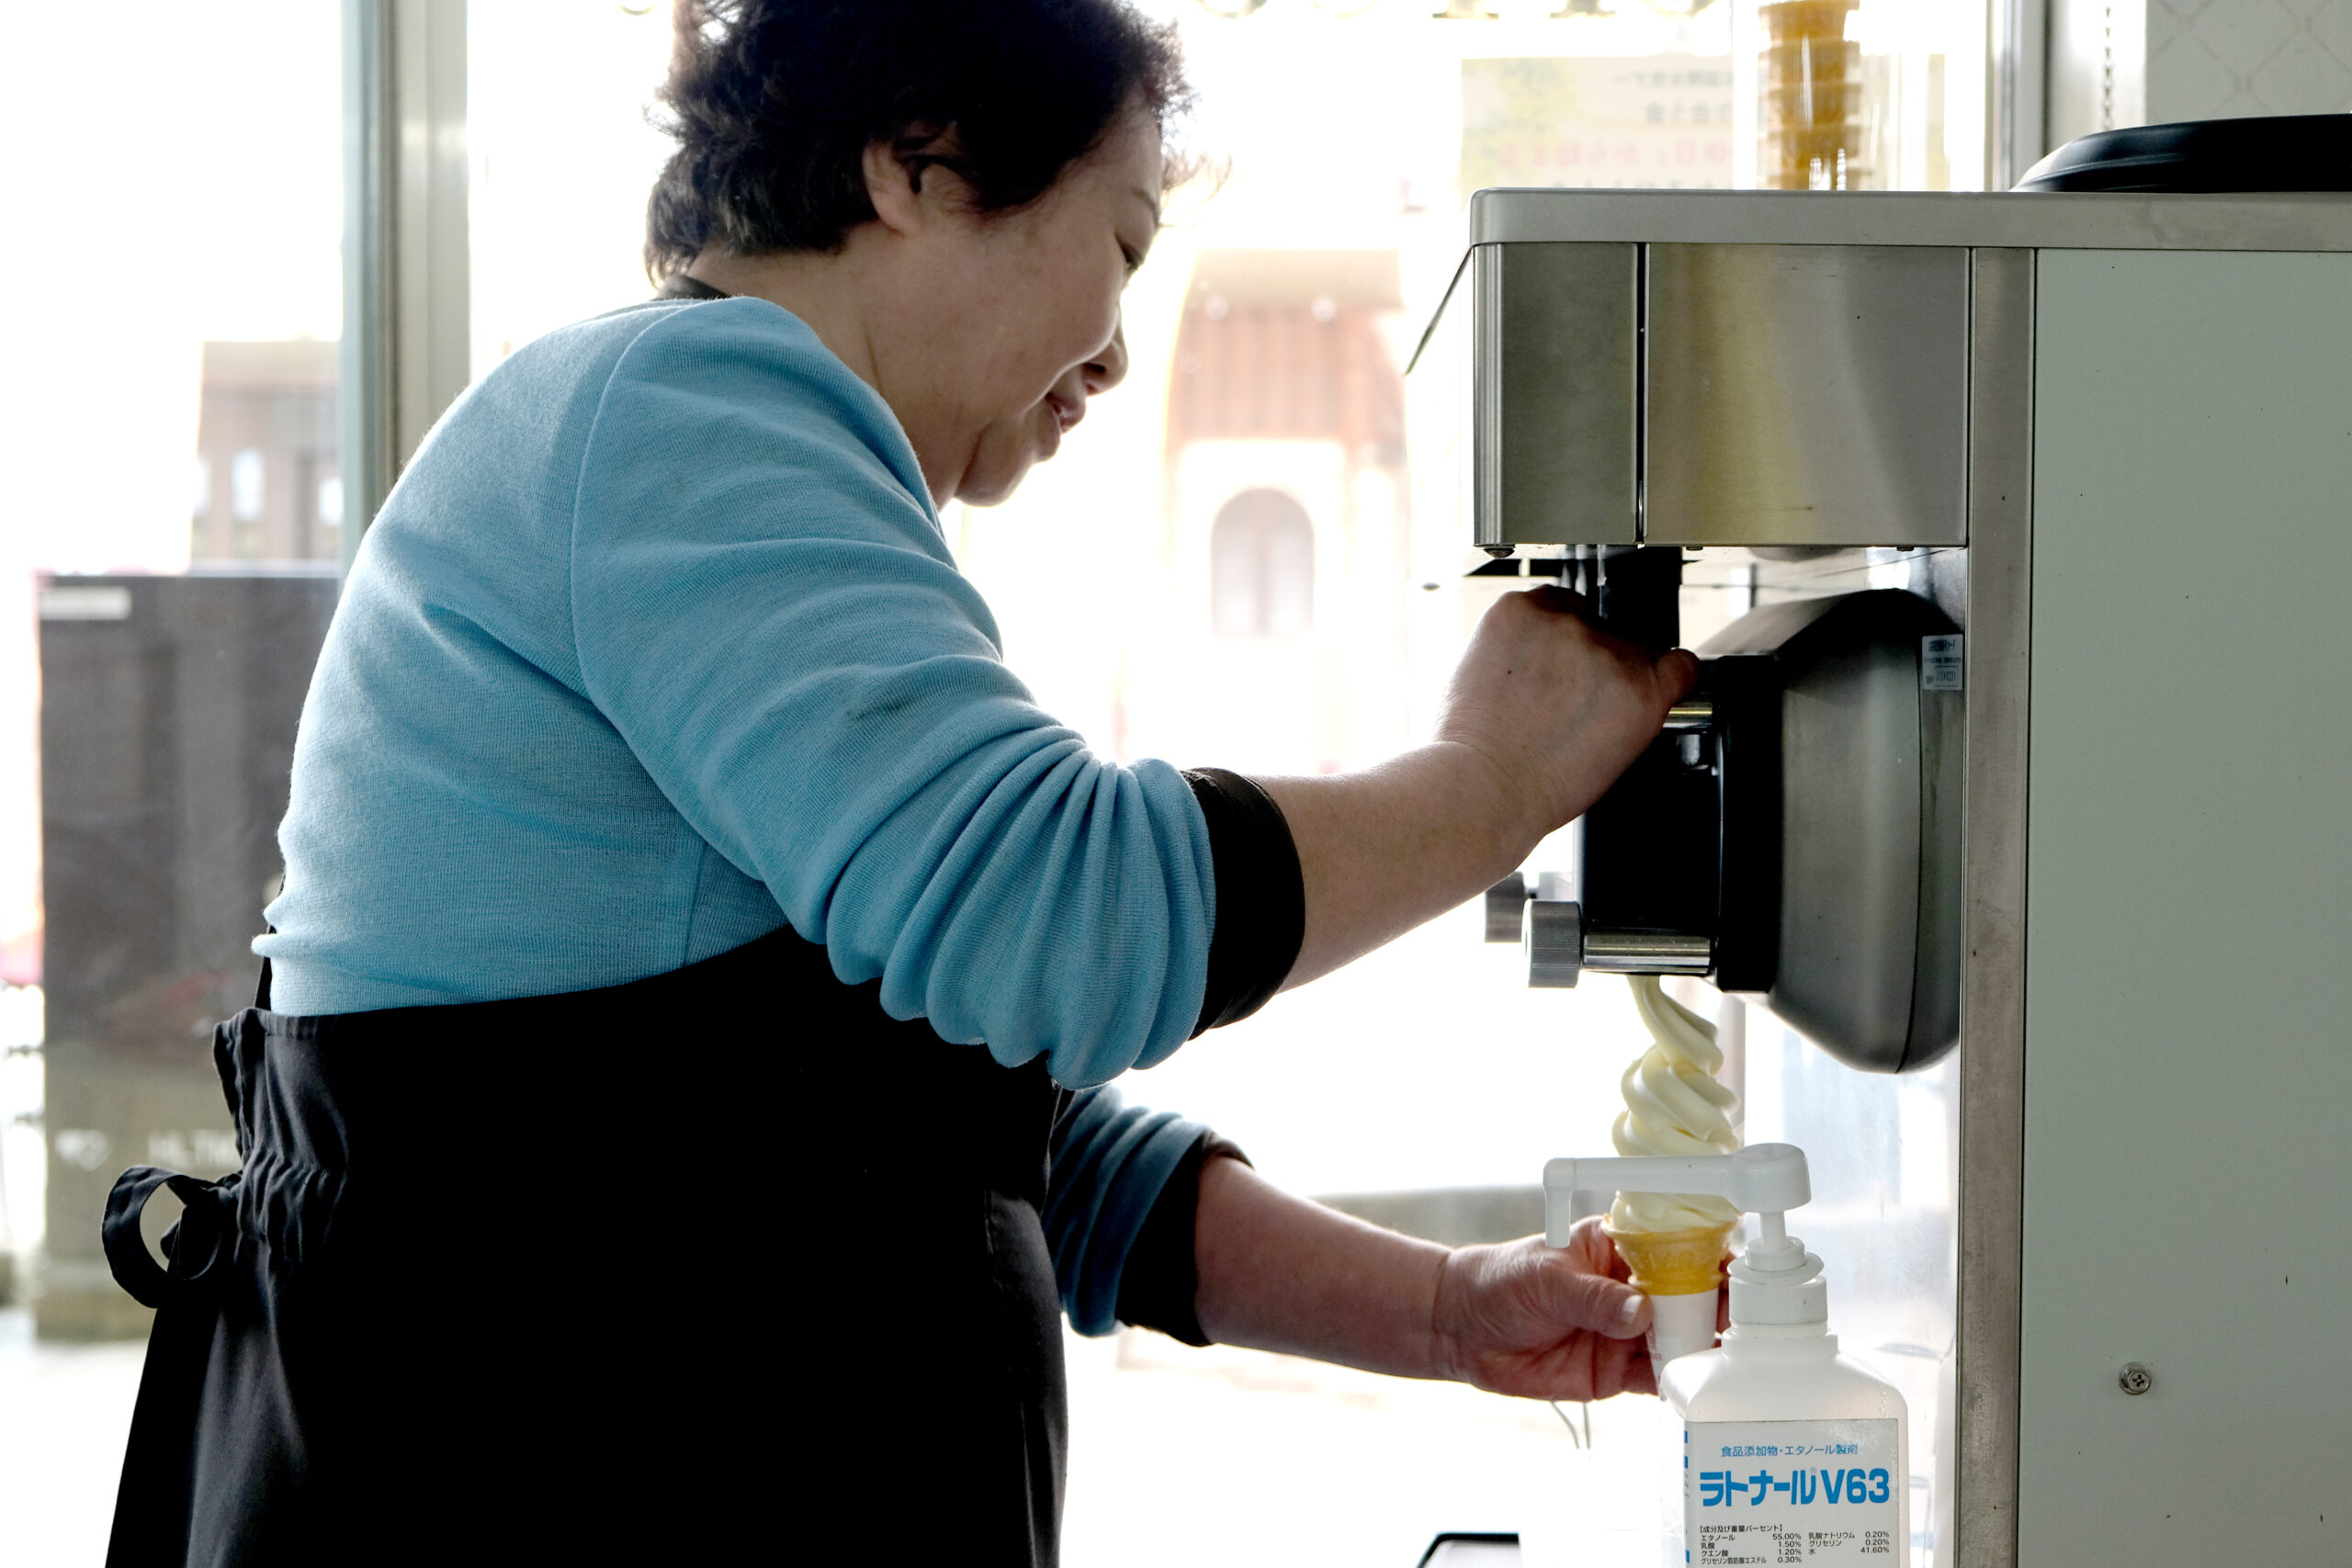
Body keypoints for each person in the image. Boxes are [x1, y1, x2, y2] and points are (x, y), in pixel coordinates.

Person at [99, 3, 1698, 1564]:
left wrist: (1448, 1310)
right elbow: (1060, 918)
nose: (1118, 354)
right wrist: (1490, 782)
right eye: (1122, 245)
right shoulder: (683, 415)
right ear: (918, 163)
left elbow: (983, 1133)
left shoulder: (718, 472)